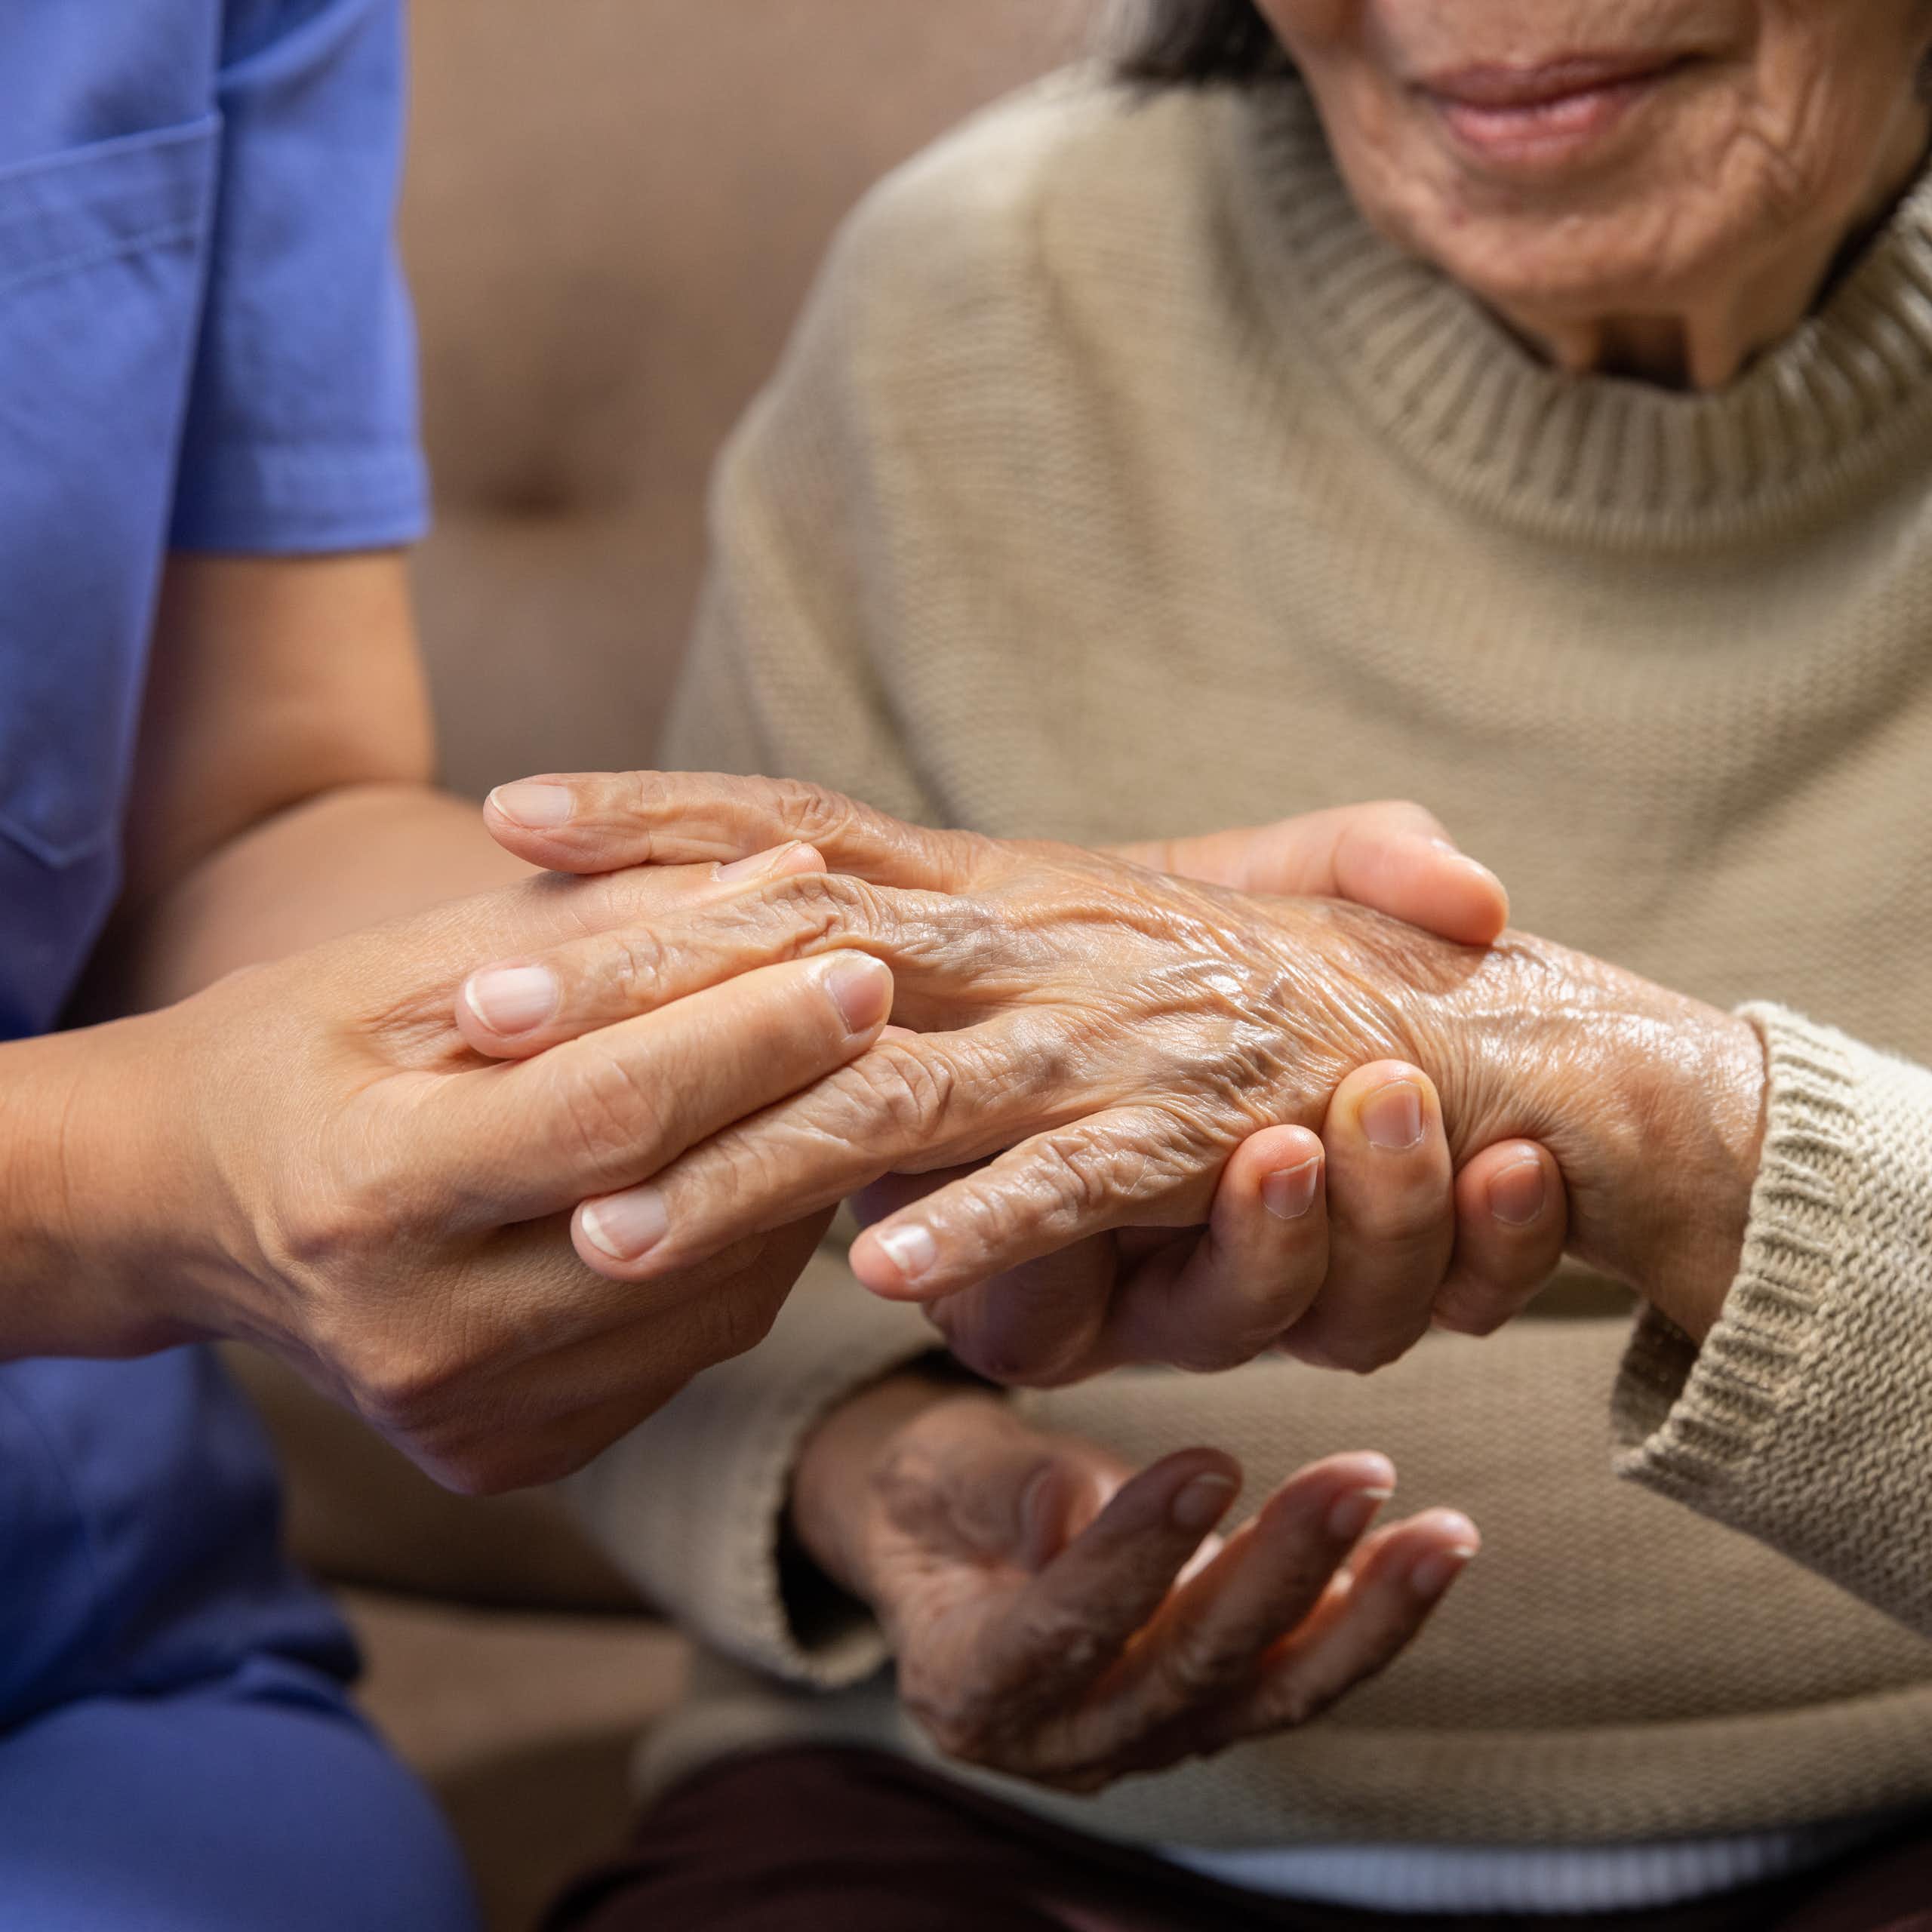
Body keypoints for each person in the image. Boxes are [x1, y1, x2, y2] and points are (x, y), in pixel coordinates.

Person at [0, 4, 1556, 1924]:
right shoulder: (976, 286)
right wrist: (120, 1181)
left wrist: (915, 949)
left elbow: (245, 819)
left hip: (71, 1637)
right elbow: (159, 1133)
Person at [465, 0, 1932, 1926]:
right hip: (1004, 1839)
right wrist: (878, 1478)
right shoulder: (969, 297)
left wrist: (1641, 1113)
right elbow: (652, 1225)